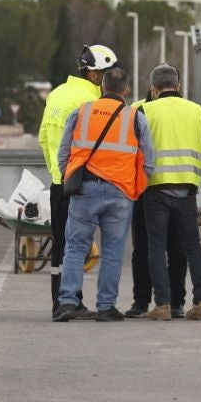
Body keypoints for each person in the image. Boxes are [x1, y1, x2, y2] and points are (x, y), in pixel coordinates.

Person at [54, 65, 153, 322]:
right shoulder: (135, 117)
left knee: (75, 247)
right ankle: (106, 306)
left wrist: (70, 179)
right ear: (126, 90)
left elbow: (63, 153)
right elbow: (148, 161)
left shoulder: (81, 113)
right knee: (112, 251)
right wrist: (134, 190)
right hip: (121, 192)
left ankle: (66, 302)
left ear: (102, 87)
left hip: (85, 190)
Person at [38, 44, 118, 314]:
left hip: (59, 181)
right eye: (106, 74)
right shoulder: (90, 102)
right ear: (95, 75)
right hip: (81, 182)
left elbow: (43, 138)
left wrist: (56, 174)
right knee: (77, 244)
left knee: (61, 244)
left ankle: (61, 301)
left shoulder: (57, 94)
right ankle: (70, 301)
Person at [136, 64, 201, 321]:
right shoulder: (196, 110)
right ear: (178, 86)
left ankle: (163, 305)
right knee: (192, 246)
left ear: (153, 89)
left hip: (156, 188)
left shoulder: (145, 110)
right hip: (187, 189)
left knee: (156, 247)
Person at [126, 79, 192, 318]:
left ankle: (144, 302)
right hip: (176, 187)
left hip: (147, 188)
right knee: (173, 248)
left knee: (146, 247)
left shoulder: (138, 109)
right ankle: (174, 303)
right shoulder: (189, 109)